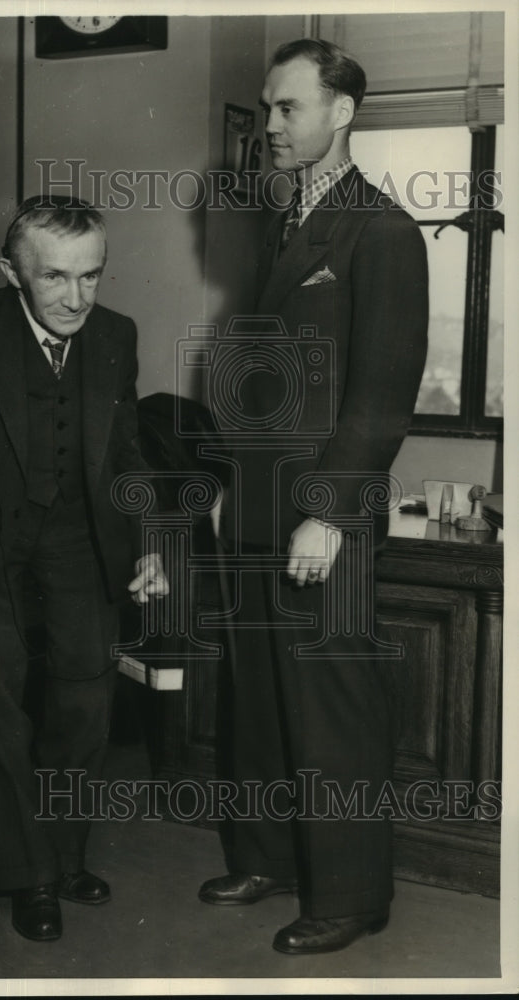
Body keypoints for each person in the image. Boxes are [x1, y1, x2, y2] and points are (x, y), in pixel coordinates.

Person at [199, 39, 429, 954]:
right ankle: (268, 858)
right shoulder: (282, 225)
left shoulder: (382, 231)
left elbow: (380, 394)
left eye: (287, 108)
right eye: (265, 110)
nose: (271, 127)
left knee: (330, 704)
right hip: (257, 503)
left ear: (342, 112)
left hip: (321, 516)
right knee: (256, 692)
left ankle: (349, 895)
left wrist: (330, 512)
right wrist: (229, 486)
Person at [0, 195, 168, 943]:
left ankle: (64, 853)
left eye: (91, 276)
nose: (76, 297)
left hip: (83, 551)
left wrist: (148, 540)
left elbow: (126, 457)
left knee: (83, 712)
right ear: (10, 272)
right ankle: (30, 876)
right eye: (54, 278)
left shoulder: (116, 336)